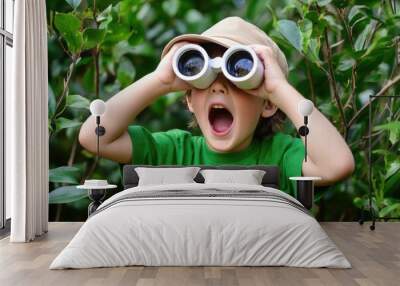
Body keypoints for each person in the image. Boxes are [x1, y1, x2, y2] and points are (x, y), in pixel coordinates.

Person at [79, 16, 355, 196]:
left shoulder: (281, 155)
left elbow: (337, 165)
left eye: (238, 78)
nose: (218, 86)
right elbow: (94, 136)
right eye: (204, 77)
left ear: (268, 105)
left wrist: (278, 88)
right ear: (189, 99)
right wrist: (159, 81)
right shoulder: (173, 151)